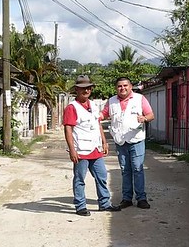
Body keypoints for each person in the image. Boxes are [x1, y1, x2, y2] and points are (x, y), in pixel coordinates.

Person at [63, 75, 121, 216]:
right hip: (81, 150)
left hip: (95, 148)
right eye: (83, 88)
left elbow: (97, 124)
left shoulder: (94, 105)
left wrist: (104, 141)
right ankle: (80, 205)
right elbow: (68, 129)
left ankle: (104, 203)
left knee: (101, 176)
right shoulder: (72, 107)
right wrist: (72, 150)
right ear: (76, 89)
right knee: (79, 178)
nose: (86, 90)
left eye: (88, 88)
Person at [101, 76, 155, 209]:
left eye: (125, 85)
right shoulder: (111, 101)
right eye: (119, 86)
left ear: (130, 86)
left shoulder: (139, 99)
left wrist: (144, 118)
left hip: (136, 140)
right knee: (125, 170)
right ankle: (127, 199)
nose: (122, 88)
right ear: (116, 88)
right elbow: (102, 115)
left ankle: (141, 198)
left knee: (137, 168)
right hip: (120, 141)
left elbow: (151, 115)